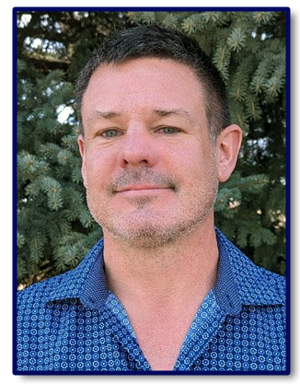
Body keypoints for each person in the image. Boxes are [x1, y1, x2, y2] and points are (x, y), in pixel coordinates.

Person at [17, 24, 286, 372]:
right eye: (109, 132)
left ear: (223, 152)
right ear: (85, 160)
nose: (134, 152)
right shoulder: (19, 330)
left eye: (167, 128)